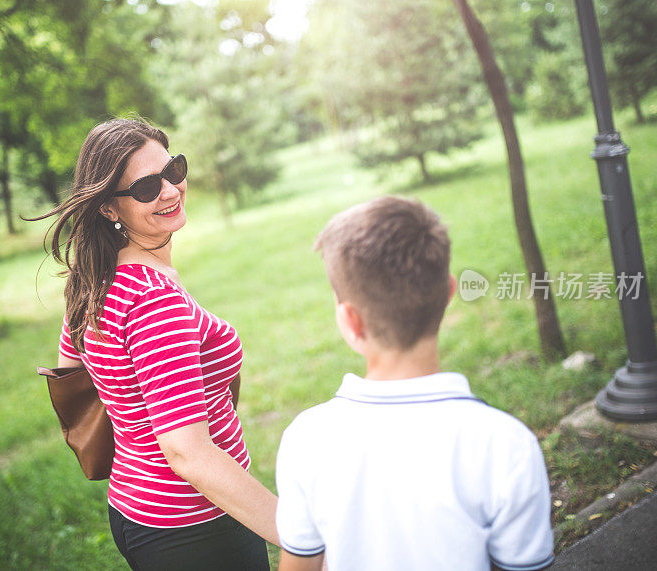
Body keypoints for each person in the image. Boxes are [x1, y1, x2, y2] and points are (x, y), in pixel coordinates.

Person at [33, 118, 276, 570]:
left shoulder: (94, 279)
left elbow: (74, 377)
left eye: (174, 170)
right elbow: (188, 451)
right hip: (195, 524)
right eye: (145, 187)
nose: (169, 190)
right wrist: (295, 532)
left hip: (133, 508)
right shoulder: (151, 298)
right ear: (109, 208)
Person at [275, 196, 554, 571]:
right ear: (449, 293)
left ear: (351, 321)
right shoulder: (508, 445)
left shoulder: (305, 438)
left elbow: (301, 564)